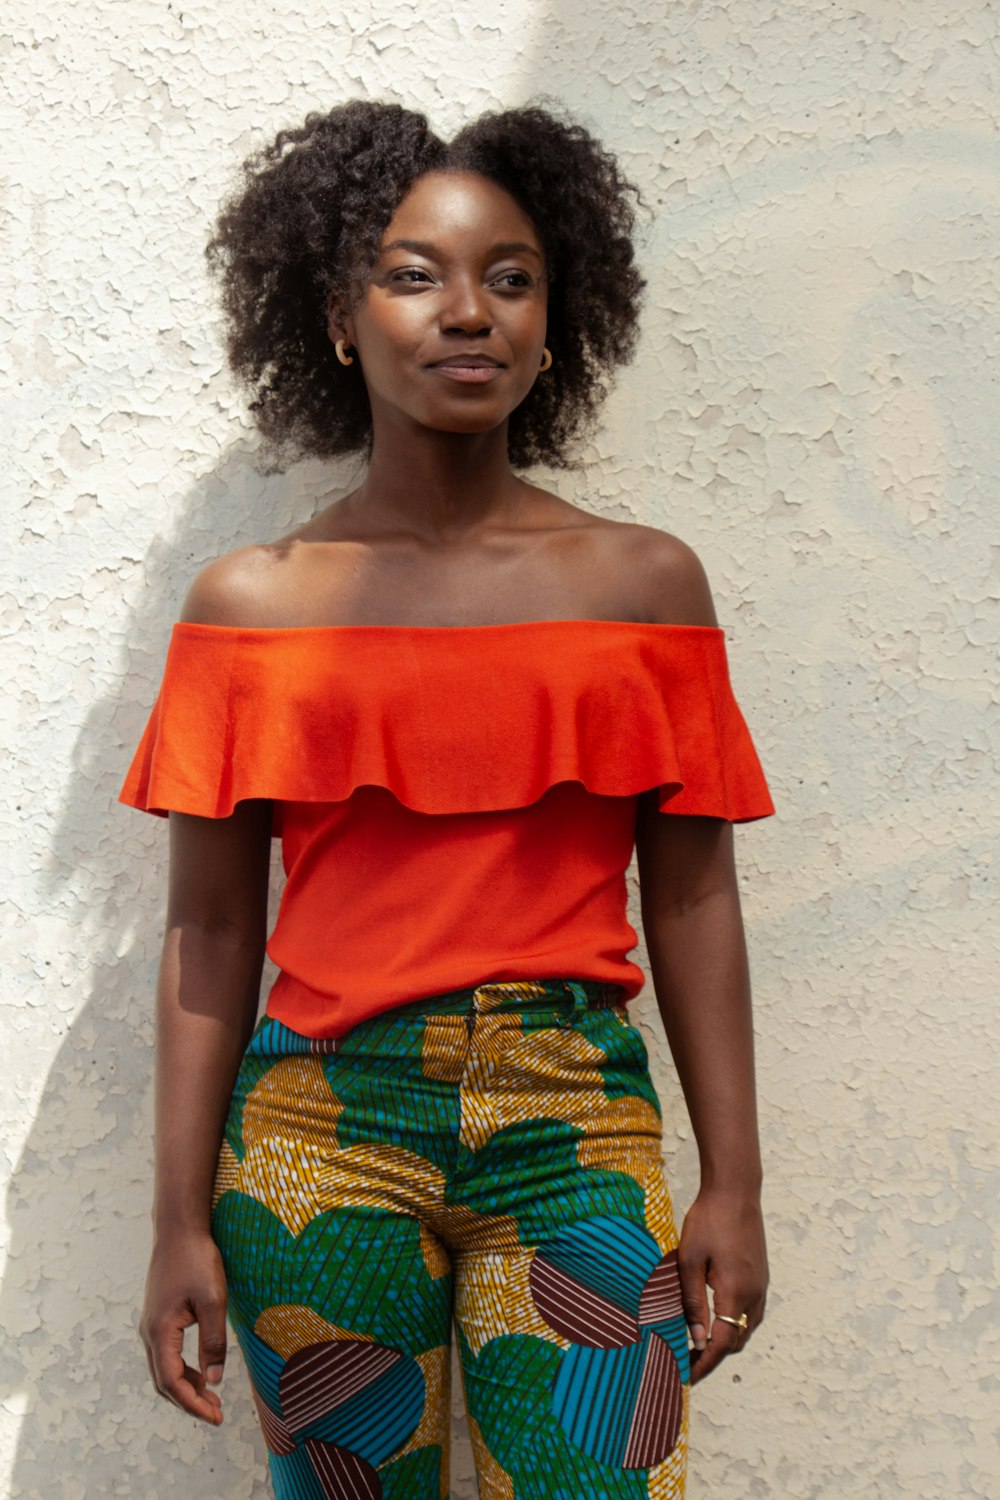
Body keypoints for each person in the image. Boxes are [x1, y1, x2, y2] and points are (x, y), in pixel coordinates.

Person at [120, 99, 775, 1500]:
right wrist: (175, 1216)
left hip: (575, 1123)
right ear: (341, 319)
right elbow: (211, 937)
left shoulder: (644, 587)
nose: (466, 310)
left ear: (557, 322)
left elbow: (697, 891)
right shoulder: (253, 609)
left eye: (511, 277)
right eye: (413, 273)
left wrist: (736, 1181)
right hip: (316, 1138)